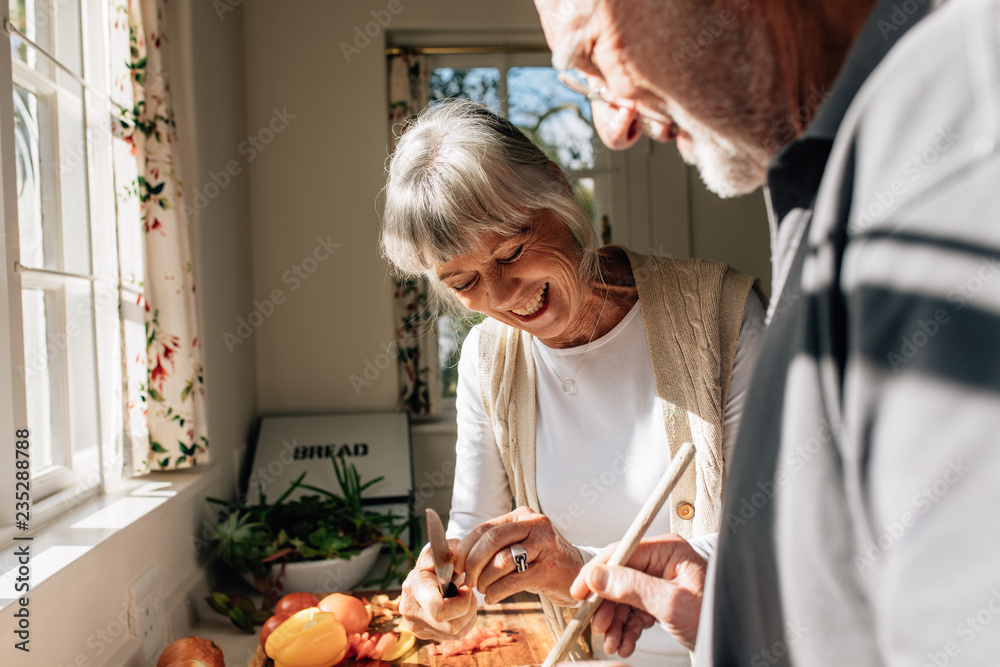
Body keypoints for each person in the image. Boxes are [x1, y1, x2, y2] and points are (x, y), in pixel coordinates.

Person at [533, 0, 1000, 664]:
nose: (614, 127)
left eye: (592, 58)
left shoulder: (955, 156)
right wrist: (736, 597)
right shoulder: (840, 168)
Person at [380, 98, 767, 666]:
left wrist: (577, 565)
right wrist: (442, 581)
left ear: (556, 192)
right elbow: (471, 527)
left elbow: (766, 538)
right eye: (464, 280)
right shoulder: (486, 359)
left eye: (511, 250)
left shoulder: (720, 314)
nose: (504, 294)